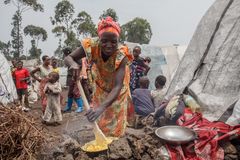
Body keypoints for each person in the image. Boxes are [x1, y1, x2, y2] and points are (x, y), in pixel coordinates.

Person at [64, 16, 133, 137]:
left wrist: (101, 108)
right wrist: (73, 64)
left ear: (118, 40)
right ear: (99, 38)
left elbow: (117, 86)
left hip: (118, 87)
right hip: (100, 83)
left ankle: (116, 143)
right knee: (99, 116)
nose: (108, 45)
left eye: (114, 42)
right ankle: (101, 137)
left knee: (115, 114)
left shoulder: (122, 55)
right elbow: (69, 58)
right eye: (104, 40)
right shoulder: (91, 45)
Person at [63, 48, 84, 113]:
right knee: (70, 93)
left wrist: (78, 75)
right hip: (71, 77)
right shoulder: (67, 59)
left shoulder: (77, 58)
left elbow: (80, 66)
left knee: (76, 92)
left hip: (77, 77)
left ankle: (80, 107)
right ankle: (68, 107)